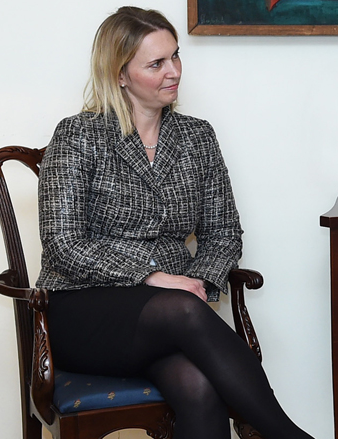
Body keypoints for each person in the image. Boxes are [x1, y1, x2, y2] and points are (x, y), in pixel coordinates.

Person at [37, 6, 315, 439]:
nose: (174, 71)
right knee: (182, 309)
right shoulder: (79, 135)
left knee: (197, 386)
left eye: (175, 56)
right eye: (156, 63)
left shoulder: (196, 136)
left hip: (171, 316)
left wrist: (197, 282)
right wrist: (152, 276)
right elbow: (62, 244)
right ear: (120, 75)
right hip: (83, 310)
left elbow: (223, 232)